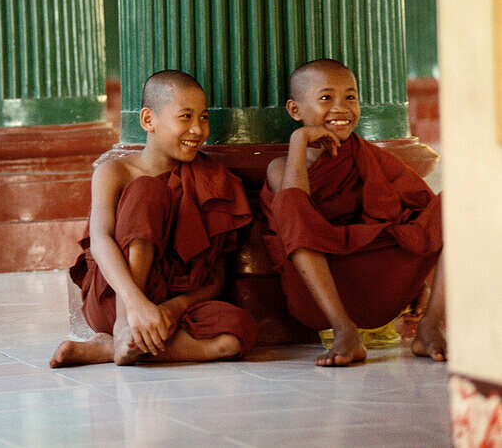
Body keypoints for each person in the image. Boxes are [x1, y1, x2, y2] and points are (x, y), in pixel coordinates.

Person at [50, 71, 257, 368]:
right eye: (185, 117)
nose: (197, 130)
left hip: (171, 303)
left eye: (204, 117)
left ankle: (108, 350)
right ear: (148, 120)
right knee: (148, 190)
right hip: (115, 293)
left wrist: (172, 309)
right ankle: (123, 330)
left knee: (237, 333)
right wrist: (134, 306)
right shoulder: (114, 172)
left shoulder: (213, 180)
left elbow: (216, 279)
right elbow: (100, 240)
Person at [262, 58, 446, 367]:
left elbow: (421, 214)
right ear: (295, 110)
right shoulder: (280, 167)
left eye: (350, 97)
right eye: (326, 98)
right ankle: (343, 329)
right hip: (322, 291)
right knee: (290, 204)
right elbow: (295, 209)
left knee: (455, 203)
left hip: (381, 280)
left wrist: (419, 282)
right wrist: (299, 140)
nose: (342, 107)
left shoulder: (369, 157)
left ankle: (430, 326)